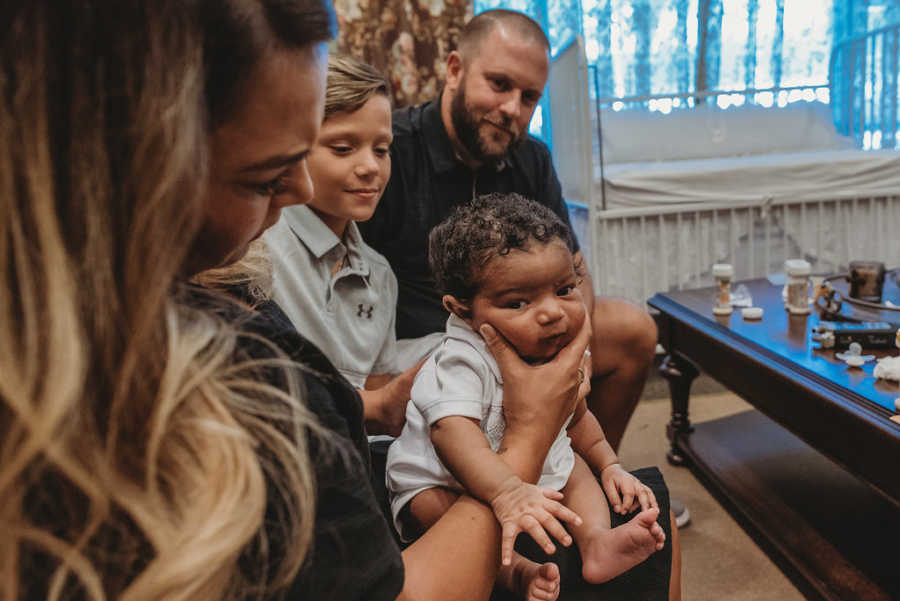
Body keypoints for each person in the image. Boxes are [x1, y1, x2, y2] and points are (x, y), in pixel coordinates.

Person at [3, 1, 615, 600]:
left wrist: (372, 407)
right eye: (263, 176)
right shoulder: (258, 381)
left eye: (379, 152)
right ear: (131, 167)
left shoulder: (254, 288)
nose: (300, 190)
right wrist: (527, 440)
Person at [357, 8, 659, 462]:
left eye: (529, 97)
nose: (512, 109)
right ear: (455, 70)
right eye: (499, 85)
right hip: (425, 348)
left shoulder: (532, 158)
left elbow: (575, 269)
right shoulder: (389, 150)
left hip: (525, 331)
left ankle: (595, 467)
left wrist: (578, 347)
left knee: (635, 329)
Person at [387, 193, 666, 601]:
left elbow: (577, 418)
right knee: (428, 506)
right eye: (518, 302)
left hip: (534, 467)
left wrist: (610, 465)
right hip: (446, 478)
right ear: (462, 310)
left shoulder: (552, 346)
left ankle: (597, 542)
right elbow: (451, 432)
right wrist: (506, 492)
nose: (552, 312)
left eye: (564, 289)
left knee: (576, 470)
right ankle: (515, 572)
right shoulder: (460, 360)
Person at [262, 54, 415, 437]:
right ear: (294, 147)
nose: (371, 167)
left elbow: (380, 416)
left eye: (381, 150)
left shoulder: (380, 276)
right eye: (343, 148)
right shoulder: (256, 249)